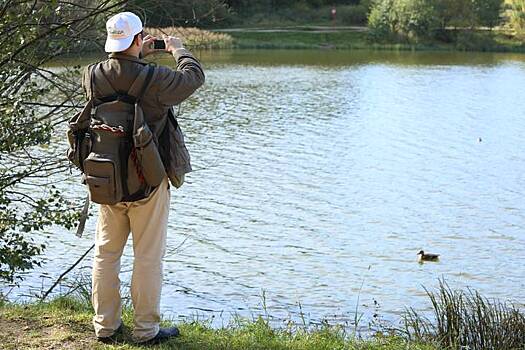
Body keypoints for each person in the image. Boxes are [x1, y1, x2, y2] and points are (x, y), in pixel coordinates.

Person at [82, 11, 204, 345]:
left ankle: (105, 327)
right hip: (148, 180)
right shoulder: (156, 79)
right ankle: (145, 331)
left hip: (106, 179)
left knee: (106, 255)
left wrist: (135, 55)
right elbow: (194, 78)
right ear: (138, 39)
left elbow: (118, 75)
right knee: (147, 258)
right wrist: (179, 49)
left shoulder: (92, 75)